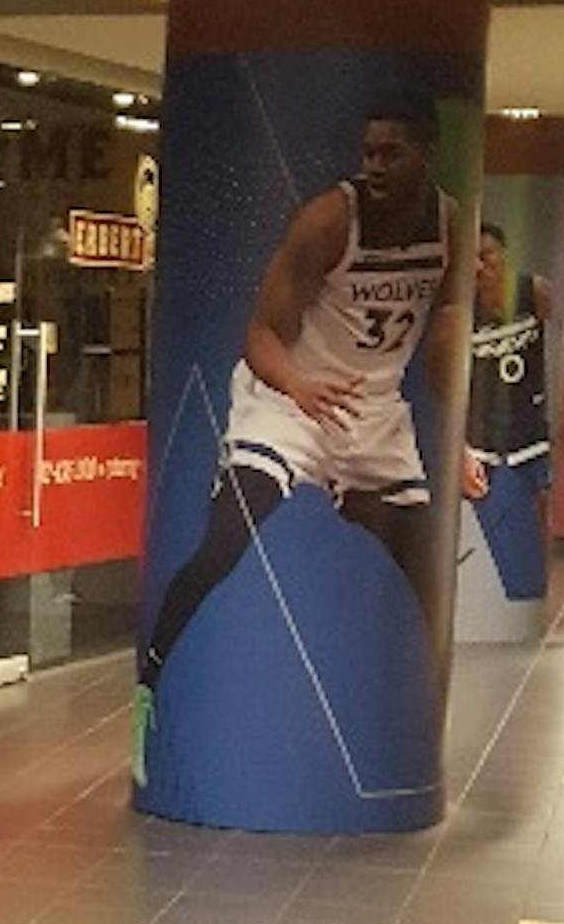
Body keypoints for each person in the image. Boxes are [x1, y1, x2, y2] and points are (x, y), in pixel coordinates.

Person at [134, 94, 474, 758]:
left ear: (426, 154)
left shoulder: (450, 226)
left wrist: (459, 440)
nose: (373, 164)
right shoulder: (328, 220)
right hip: (289, 396)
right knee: (226, 538)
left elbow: (446, 340)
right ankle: (149, 685)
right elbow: (260, 334)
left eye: (391, 152)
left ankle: (424, 734)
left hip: (373, 413)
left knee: (426, 572)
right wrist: (301, 387)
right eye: (368, 151)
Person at [465, 223, 555, 599]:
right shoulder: (460, 310)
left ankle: (528, 596)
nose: (482, 266)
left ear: (503, 255)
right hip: (486, 442)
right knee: (500, 518)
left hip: (532, 434)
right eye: (474, 259)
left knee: (534, 520)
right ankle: (516, 597)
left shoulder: (531, 290)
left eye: (488, 255)